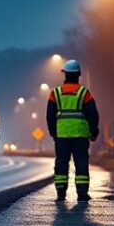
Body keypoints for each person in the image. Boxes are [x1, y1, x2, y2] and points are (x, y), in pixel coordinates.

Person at [46, 59, 99, 201]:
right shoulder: (84, 93)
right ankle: (82, 193)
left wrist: (53, 132)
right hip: (80, 136)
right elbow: (93, 114)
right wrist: (94, 132)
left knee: (61, 163)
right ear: (78, 75)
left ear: (65, 74)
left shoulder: (55, 93)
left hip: (61, 136)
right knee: (81, 162)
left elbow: (50, 115)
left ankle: (61, 193)